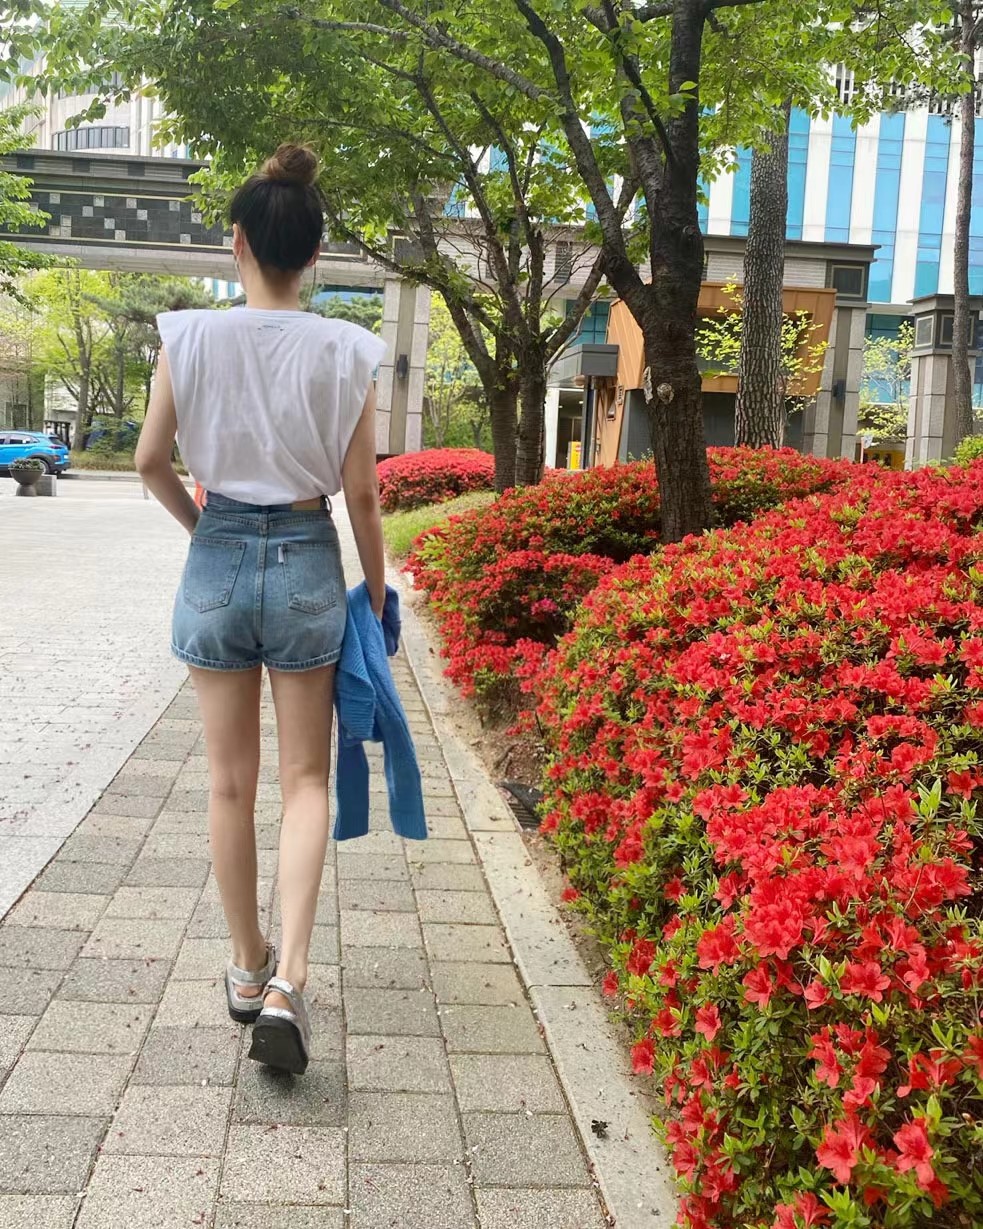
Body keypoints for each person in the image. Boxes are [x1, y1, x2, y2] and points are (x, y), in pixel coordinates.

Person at [136, 143, 388, 1075]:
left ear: (235, 241)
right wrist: (378, 594)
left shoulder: (187, 337)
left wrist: (203, 529)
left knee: (228, 783)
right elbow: (361, 497)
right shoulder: (348, 350)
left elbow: (150, 461)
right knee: (305, 780)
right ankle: (292, 979)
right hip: (307, 555)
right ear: (315, 254)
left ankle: (245, 967)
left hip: (218, 551)